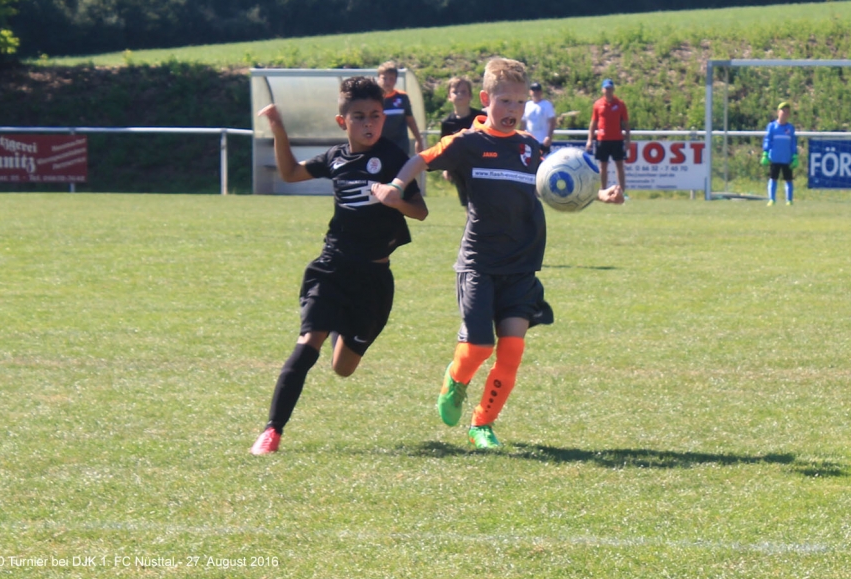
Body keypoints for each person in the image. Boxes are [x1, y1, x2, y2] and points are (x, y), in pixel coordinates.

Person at [373, 58, 624, 450]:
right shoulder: (468, 143)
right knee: (478, 347)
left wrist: (600, 194)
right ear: (486, 99)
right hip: (479, 263)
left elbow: (559, 184)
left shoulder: (529, 147)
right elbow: (421, 159)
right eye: (505, 101)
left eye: (520, 102)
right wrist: (395, 185)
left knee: (512, 351)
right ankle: (456, 379)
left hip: (522, 267)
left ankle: (482, 425)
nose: (513, 110)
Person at [250, 76, 428, 455]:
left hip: (373, 279)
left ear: (384, 118)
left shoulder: (394, 157)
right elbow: (290, 173)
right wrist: (279, 129)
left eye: (375, 115)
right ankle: (271, 431)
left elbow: (421, 211)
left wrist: (396, 200)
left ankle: (339, 324)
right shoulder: (335, 158)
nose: (368, 123)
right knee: (307, 343)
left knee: (343, 368)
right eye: (359, 116)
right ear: (342, 121)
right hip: (332, 268)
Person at [440, 76, 484, 207]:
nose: (459, 95)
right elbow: (445, 148)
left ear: (470, 96)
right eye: (455, 92)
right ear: (449, 96)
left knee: (482, 201)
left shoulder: (481, 117)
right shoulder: (447, 123)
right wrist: (446, 168)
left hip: (480, 165)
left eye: (463, 92)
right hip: (459, 168)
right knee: (467, 203)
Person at [586, 79, 630, 199]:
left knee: (619, 166)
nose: (608, 91)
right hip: (602, 139)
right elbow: (593, 123)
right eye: (606, 89)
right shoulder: (598, 104)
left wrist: (628, 140)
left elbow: (626, 124)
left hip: (617, 139)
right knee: (603, 167)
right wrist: (590, 139)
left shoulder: (620, 104)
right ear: (602, 90)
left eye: (610, 89)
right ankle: (603, 191)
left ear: (613, 89)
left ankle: (622, 192)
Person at [377, 61, 424, 155]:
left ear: (395, 80)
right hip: (379, 145)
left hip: (400, 145)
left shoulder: (402, 97)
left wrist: (418, 140)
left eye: (391, 79)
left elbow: (410, 120)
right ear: (378, 79)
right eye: (384, 78)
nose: (388, 82)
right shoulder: (373, 99)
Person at [761, 101, 799, 206]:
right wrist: (765, 153)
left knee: (788, 179)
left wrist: (795, 156)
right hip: (775, 158)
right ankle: (772, 199)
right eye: (783, 111)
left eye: (787, 112)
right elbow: (768, 140)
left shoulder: (790, 128)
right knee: (773, 178)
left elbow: (793, 143)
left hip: (786, 159)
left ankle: (789, 200)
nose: (785, 114)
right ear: (778, 112)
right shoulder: (772, 126)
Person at [521, 81, 556, 154]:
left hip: (542, 141)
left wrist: (549, 136)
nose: (535, 92)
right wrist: (521, 136)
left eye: (537, 90)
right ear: (530, 92)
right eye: (533, 90)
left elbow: (552, 122)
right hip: (529, 140)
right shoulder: (527, 105)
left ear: (541, 92)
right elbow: (523, 122)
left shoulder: (547, 105)